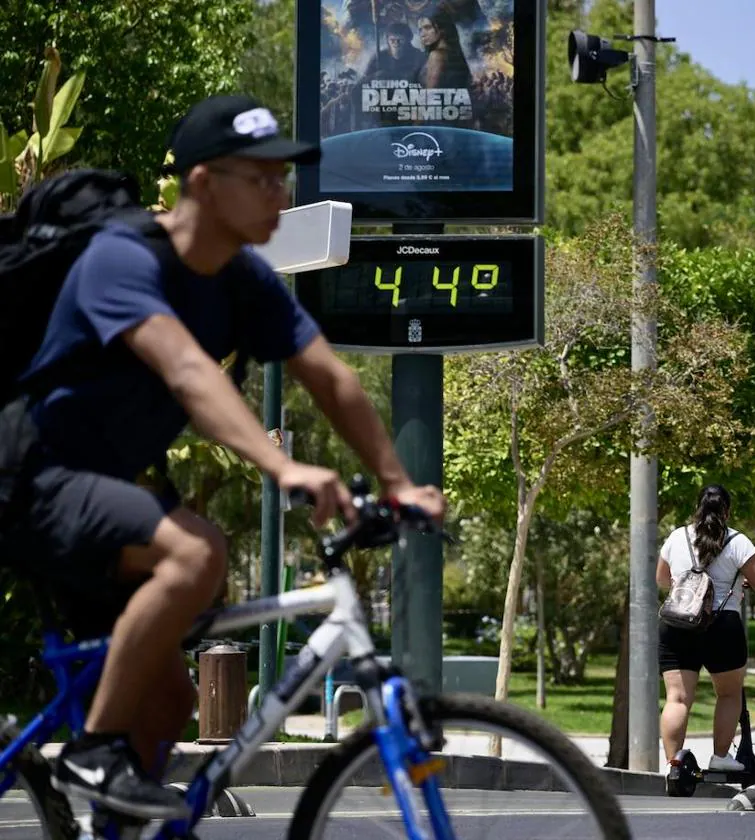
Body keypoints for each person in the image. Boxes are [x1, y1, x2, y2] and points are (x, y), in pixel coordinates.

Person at [7, 94, 446, 819]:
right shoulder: (121, 258)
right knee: (197, 551)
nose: (282, 192)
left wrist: (398, 482)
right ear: (204, 184)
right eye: (262, 177)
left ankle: (118, 823)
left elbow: (330, 378)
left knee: (170, 699)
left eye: (285, 176)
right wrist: (285, 468)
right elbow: (187, 372)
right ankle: (90, 755)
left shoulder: (243, 280)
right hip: (31, 479)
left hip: (102, 494)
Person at [656, 485, 755, 772]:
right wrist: (738, 580)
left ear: (697, 508)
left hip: (678, 623)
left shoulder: (677, 537)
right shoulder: (737, 541)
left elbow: (661, 579)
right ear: (727, 511)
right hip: (722, 624)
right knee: (729, 694)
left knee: (677, 698)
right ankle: (720, 758)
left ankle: (674, 765)